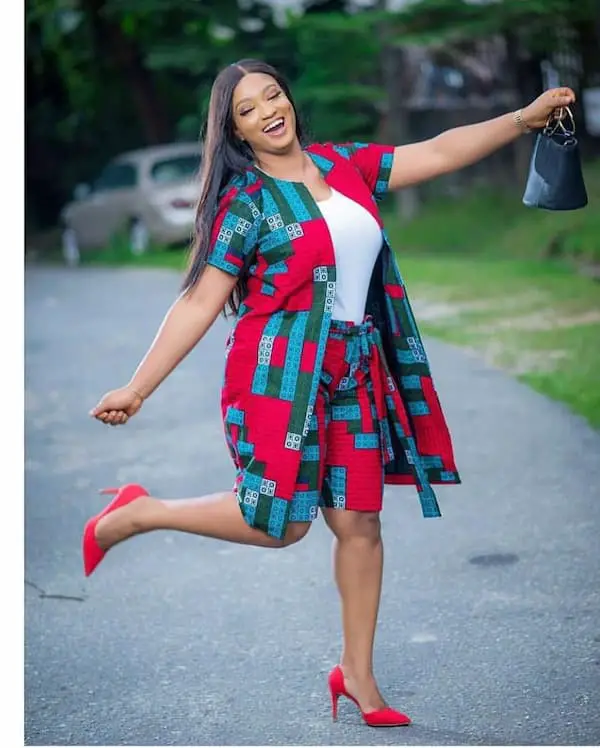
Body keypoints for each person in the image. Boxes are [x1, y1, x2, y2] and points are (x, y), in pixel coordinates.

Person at [83, 58, 575, 727]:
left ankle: (359, 677)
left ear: (289, 100)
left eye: (272, 96)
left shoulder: (344, 166)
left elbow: (434, 150)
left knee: (360, 522)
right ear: (235, 132)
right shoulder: (246, 203)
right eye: (247, 110)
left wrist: (523, 118)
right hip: (278, 377)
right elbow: (201, 301)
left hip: (356, 367)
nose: (267, 112)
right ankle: (141, 513)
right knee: (278, 522)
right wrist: (138, 387)